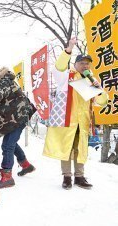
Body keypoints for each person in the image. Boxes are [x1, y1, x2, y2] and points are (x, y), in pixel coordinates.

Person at [43, 38, 108, 190]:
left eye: (87, 63)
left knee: (81, 148)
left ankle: (80, 177)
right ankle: (67, 177)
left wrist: (99, 89)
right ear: (75, 64)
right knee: (67, 148)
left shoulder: (91, 79)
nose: (85, 65)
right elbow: (58, 67)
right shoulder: (66, 76)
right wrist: (69, 48)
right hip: (67, 121)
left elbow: (102, 101)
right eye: (82, 63)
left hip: (83, 121)